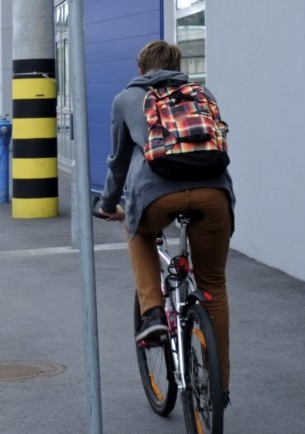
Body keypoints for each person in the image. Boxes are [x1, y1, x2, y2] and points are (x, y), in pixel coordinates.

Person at [94, 39, 235, 403]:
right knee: (213, 285)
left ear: (141, 69)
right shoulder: (202, 93)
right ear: (177, 65)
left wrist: (109, 204)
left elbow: (119, 162)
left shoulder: (128, 99)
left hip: (157, 196)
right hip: (213, 195)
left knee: (137, 231)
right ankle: (218, 387)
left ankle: (153, 313)